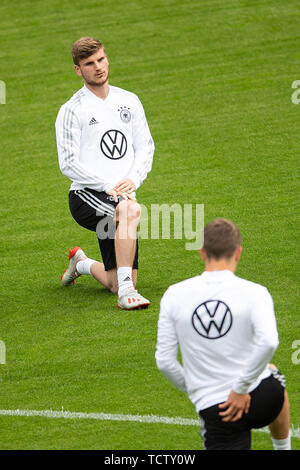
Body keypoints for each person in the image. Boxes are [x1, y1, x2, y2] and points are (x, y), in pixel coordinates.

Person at [155, 218, 291, 450]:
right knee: (273, 373)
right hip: (262, 398)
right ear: (238, 253)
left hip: (218, 409)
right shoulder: (256, 292)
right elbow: (268, 342)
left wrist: (199, 388)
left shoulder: (174, 295)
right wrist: (242, 387)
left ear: (202, 253)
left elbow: (165, 362)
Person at [55, 37, 154, 310]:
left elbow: (145, 146)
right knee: (131, 212)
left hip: (121, 196)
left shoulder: (129, 101)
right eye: (89, 63)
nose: (98, 67)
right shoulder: (72, 110)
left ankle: (82, 263)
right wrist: (108, 185)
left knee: (114, 280)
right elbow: (68, 163)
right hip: (87, 195)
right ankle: (127, 294)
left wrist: (134, 179)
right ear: (78, 70)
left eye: (101, 59)